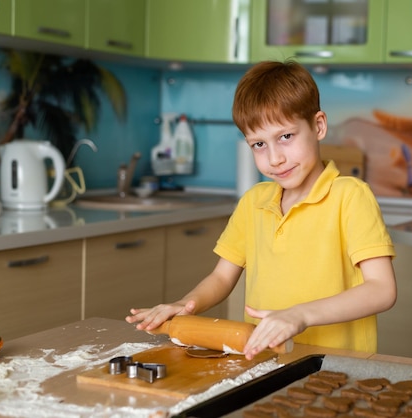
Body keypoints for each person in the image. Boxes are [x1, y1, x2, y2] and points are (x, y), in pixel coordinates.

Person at [126, 60, 397, 359]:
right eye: (258, 144)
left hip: (337, 369)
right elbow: (221, 278)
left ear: (318, 126)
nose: (275, 158)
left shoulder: (350, 196)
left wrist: (300, 316)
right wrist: (186, 305)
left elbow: (381, 289)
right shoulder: (253, 202)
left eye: (285, 137)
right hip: (266, 361)